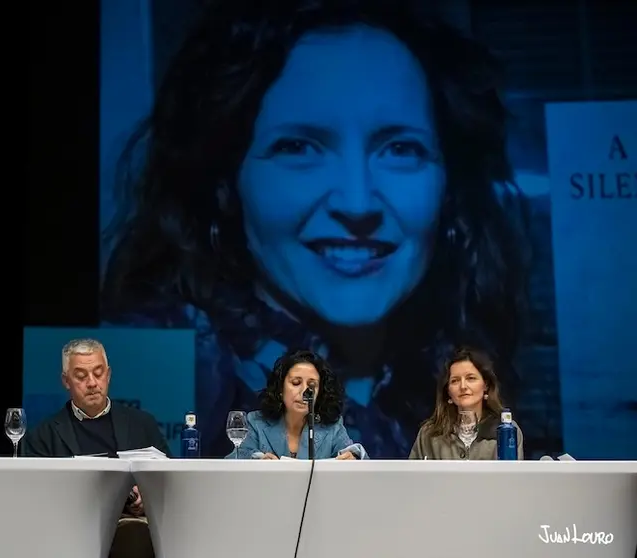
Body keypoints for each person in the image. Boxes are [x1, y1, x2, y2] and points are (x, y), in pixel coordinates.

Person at [100, 0, 535, 459]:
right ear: (226, 179)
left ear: (449, 184)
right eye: (298, 147)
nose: (357, 201)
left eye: (401, 148)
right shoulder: (167, 379)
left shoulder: (458, 381)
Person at [22, 338, 169, 558]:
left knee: (134, 535)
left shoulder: (141, 424)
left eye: (98, 373)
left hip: (131, 525)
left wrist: (146, 496)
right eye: (81, 376)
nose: (92, 383)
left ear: (108, 375)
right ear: (66, 381)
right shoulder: (44, 435)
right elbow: (32, 497)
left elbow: (170, 481)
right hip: (71, 526)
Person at [228, 349, 367, 460]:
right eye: (296, 383)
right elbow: (233, 461)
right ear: (280, 389)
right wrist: (257, 461)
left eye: (312, 385)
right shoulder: (255, 422)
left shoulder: (332, 427)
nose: (304, 391)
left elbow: (356, 457)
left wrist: (354, 457)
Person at [409, 347, 524, 460]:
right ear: (448, 392)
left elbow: (514, 478)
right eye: (455, 381)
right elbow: (412, 477)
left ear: (486, 386)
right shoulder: (429, 434)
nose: (463, 386)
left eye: (471, 378)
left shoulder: (507, 432)